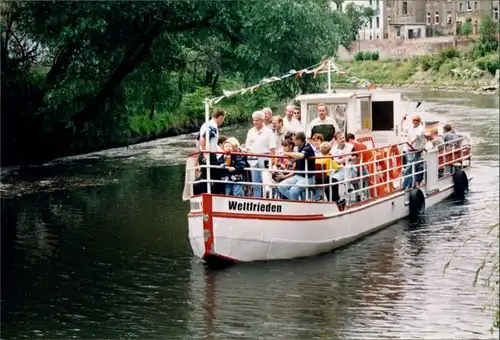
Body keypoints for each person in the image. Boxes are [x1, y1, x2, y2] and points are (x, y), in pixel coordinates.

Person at [245, 110, 276, 198]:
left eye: (257, 120)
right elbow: (247, 145)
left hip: (265, 157)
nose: (255, 122)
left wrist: (273, 160)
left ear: (262, 120)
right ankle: (257, 199)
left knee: (266, 181)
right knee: (255, 182)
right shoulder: (250, 131)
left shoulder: (269, 132)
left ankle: (269, 198)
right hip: (253, 159)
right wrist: (248, 151)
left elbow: (272, 148)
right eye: (254, 120)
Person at [194, 108, 226, 195]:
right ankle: (217, 196)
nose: (222, 121)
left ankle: (202, 195)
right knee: (218, 176)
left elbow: (197, 141)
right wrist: (205, 154)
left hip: (203, 155)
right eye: (223, 119)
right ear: (220, 117)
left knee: (206, 177)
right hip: (209, 155)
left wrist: (198, 157)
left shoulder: (205, 125)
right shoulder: (213, 126)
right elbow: (202, 139)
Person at [278, 132, 315, 200]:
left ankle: (296, 204)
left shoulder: (308, 148)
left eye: (294, 140)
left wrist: (286, 153)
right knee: (281, 186)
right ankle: (297, 203)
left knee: (293, 190)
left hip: (308, 178)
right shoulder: (298, 148)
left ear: (299, 141)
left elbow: (301, 156)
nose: (293, 141)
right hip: (297, 175)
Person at [403, 114, 425, 189]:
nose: (415, 121)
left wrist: (412, 142)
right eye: (414, 120)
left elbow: (417, 136)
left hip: (417, 151)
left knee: (409, 169)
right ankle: (414, 183)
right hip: (409, 150)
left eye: (417, 120)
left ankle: (404, 187)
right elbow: (402, 128)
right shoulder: (410, 127)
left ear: (420, 121)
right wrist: (403, 119)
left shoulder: (421, 128)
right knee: (413, 168)